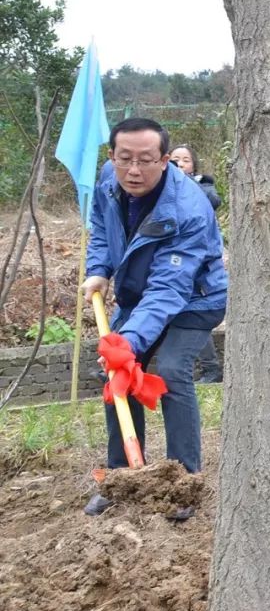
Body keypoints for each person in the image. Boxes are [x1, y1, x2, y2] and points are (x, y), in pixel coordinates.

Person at [81, 118, 228, 519]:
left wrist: (130, 341)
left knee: (171, 369)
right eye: (124, 158)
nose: (133, 170)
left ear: (165, 160)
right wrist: (99, 268)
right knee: (117, 375)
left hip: (195, 298)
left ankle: (183, 480)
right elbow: (99, 228)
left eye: (146, 160)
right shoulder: (108, 181)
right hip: (139, 293)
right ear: (111, 156)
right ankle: (123, 475)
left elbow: (170, 288)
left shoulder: (187, 208)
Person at [169, 143, 225, 383]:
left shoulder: (202, 187)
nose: (180, 164)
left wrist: (184, 181)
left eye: (185, 160)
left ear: (194, 166)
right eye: (174, 160)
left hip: (200, 270)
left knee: (195, 316)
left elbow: (212, 200)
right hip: (173, 266)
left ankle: (211, 369)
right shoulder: (162, 191)